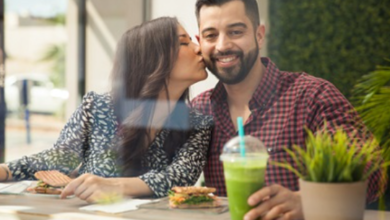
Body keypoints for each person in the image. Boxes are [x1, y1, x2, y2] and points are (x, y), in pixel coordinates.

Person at [191, 0, 382, 219]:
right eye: (211, 35)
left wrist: (310, 201)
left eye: (235, 32)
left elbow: (371, 170)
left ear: (259, 35)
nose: (222, 45)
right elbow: (165, 171)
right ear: (199, 42)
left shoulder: (312, 96)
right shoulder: (200, 109)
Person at [0, 17, 213, 202]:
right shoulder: (98, 107)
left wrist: (114, 186)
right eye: (184, 43)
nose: (198, 48)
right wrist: (6, 170)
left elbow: (179, 178)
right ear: (153, 58)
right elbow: (61, 158)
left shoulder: (198, 124)